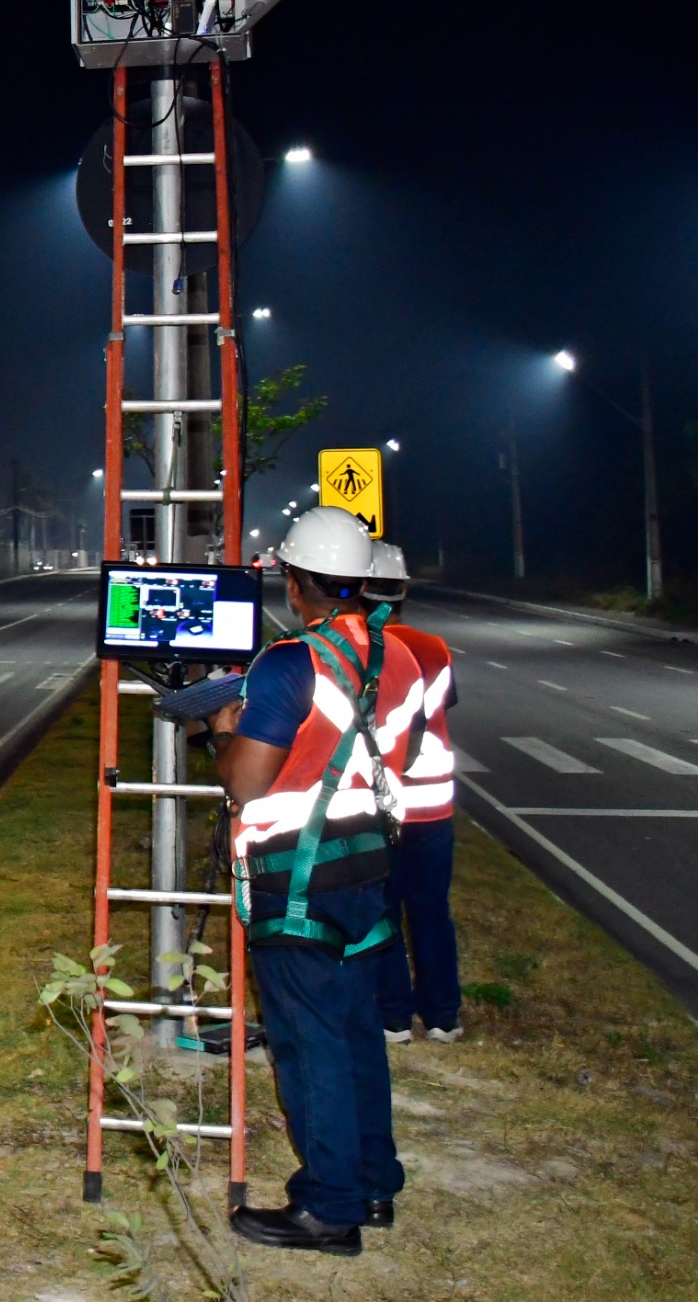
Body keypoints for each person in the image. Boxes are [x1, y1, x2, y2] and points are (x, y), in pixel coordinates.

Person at [207, 506, 426, 1255]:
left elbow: (247, 782)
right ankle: (372, 1185)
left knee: (310, 1043)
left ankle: (329, 1208)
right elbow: (401, 751)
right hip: (369, 868)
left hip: (297, 880)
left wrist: (222, 730)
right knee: (359, 1033)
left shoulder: (290, 662)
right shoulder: (398, 659)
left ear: (296, 582)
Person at [364, 541, 464, 1045]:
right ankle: (444, 1015)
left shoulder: (360, 648)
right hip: (434, 805)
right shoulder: (435, 648)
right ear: (403, 591)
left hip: (383, 805)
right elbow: (442, 704)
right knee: (431, 910)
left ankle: (393, 1016)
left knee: (382, 910)